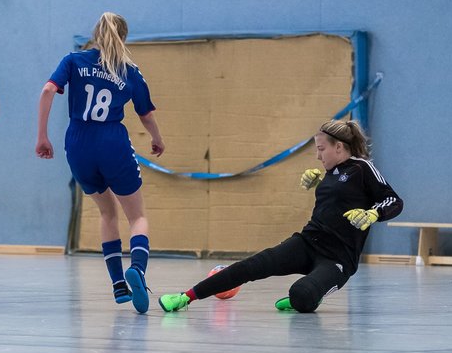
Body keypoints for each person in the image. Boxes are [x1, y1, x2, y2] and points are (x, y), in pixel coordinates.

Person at [158, 119, 402, 314]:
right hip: (307, 243)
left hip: (338, 259)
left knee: (302, 295)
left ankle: (309, 295)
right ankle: (184, 297)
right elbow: (339, 193)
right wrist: (323, 181)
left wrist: (374, 213)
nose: (318, 156)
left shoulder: (362, 168)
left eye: (321, 149)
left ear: (339, 147)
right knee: (252, 265)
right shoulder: (330, 172)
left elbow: (394, 201)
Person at [36, 12, 165, 313]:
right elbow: (145, 114)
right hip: (112, 141)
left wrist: (42, 136)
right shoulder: (129, 71)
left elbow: (47, 90)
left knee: (107, 213)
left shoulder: (73, 61)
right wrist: (157, 138)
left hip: (77, 142)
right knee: (137, 217)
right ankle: (138, 270)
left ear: (95, 34)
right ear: (124, 38)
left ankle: (118, 285)